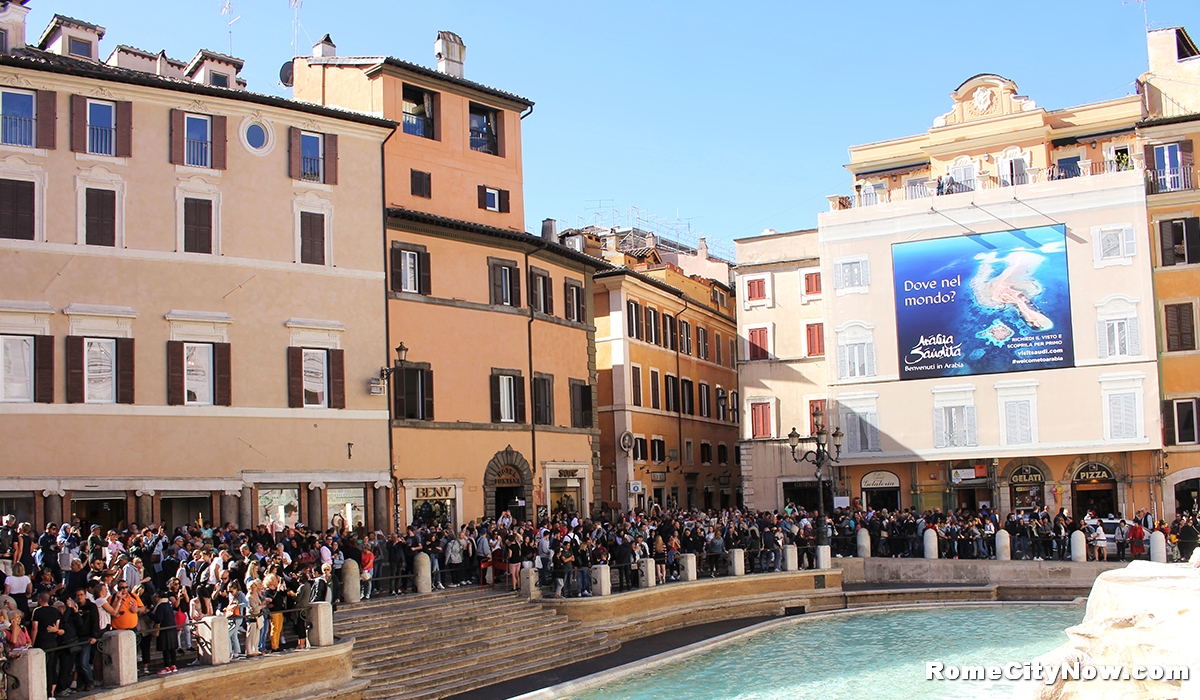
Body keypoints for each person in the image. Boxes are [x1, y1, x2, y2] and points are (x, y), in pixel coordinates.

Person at [31, 592, 65, 699]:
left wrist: (31, 643)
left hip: (42, 643)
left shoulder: (37, 611)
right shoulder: (55, 611)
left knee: (45, 668)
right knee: (52, 666)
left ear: (40, 599)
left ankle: (46, 692)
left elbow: (34, 628)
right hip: (53, 642)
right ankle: (52, 693)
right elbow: (56, 627)